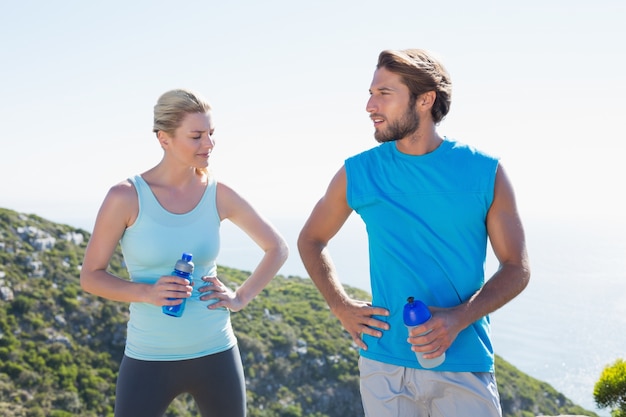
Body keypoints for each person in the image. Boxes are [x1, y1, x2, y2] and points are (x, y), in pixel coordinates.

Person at [297, 49, 530, 417]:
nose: (370, 105)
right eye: (371, 93)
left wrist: (457, 319)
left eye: (384, 94)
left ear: (425, 100)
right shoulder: (358, 172)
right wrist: (340, 305)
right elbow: (310, 239)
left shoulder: (485, 172)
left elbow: (517, 268)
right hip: (383, 368)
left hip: (463, 363)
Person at [80, 88, 288, 417]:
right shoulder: (126, 197)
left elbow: (277, 248)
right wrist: (147, 292)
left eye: (210, 134)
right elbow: (91, 277)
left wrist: (240, 298)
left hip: (217, 352)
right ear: (164, 139)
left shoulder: (219, 193)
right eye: (196, 136)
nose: (209, 144)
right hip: (148, 357)